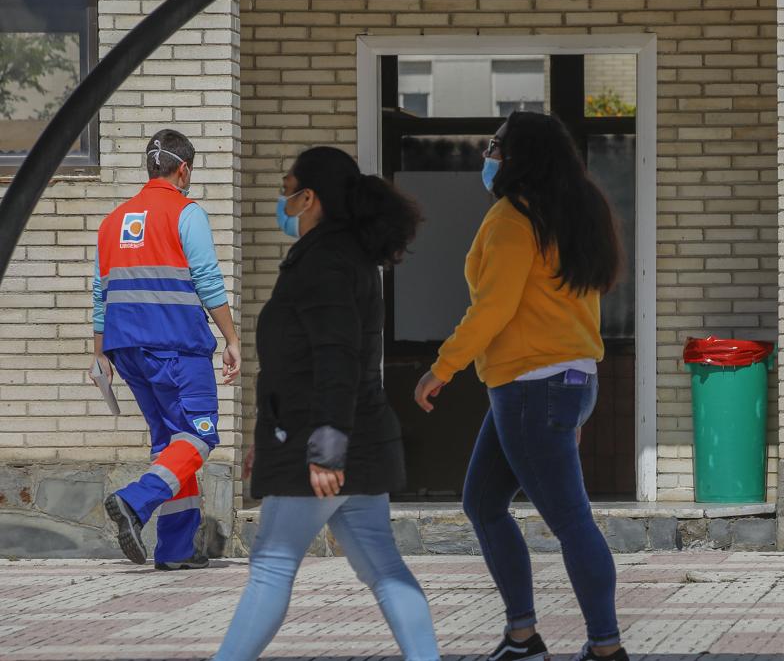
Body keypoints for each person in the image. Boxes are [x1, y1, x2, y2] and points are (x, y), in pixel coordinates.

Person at [414, 112, 629, 661]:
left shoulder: (514, 217)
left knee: (570, 519)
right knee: (483, 503)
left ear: (519, 156)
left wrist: (444, 366)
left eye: (496, 146)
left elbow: (494, 307)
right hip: (567, 380)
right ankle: (522, 636)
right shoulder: (577, 210)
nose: (489, 155)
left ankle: (606, 647)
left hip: (535, 387)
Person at [213, 146, 439, 661]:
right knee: (383, 567)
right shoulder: (342, 257)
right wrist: (261, 438)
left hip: (322, 446)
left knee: (271, 563)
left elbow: (336, 358)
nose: (281, 199)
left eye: (287, 188)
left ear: (308, 197)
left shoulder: (326, 262)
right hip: (347, 444)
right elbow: (296, 363)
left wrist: (326, 448)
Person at [95, 129, 241, 571]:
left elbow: (100, 294)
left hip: (126, 351)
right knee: (199, 434)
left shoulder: (112, 221)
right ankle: (134, 502)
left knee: (170, 445)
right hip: (176, 348)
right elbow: (208, 281)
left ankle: (176, 551)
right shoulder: (186, 212)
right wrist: (232, 339)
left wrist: (99, 354)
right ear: (183, 169)